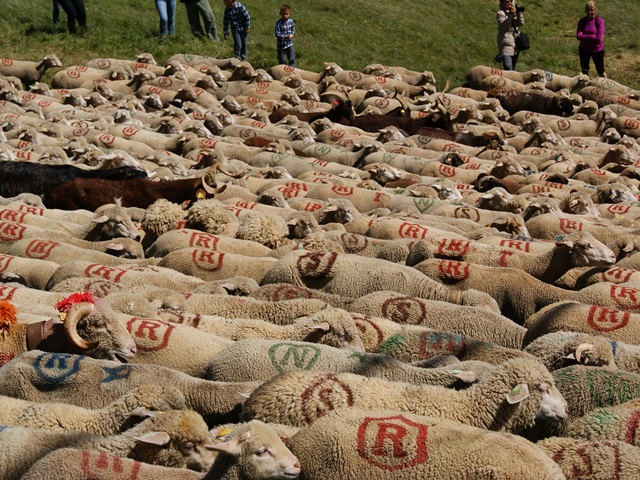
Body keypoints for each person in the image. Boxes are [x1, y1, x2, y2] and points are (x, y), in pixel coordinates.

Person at [577, 1, 607, 78]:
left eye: (592, 10)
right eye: (588, 10)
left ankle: (607, 88)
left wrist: (585, 36)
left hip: (597, 50)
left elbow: (599, 39)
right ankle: (585, 87)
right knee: (584, 71)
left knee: (601, 71)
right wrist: (593, 36)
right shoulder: (582, 21)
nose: (590, 12)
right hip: (584, 50)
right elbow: (578, 36)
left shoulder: (599, 21)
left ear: (595, 10)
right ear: (585, 11)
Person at [496, 0, 524, 71]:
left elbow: (521, 23)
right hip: (505, 44)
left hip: (515, 44)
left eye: (510, 1)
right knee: (508, 66)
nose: (509, 3)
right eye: (507, 1)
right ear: (502, 3)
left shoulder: (514, 12)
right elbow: (504, 27)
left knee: (512, 68)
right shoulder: (500, 13)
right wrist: (510, 15)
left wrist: (518, 13)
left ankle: (508, 81)